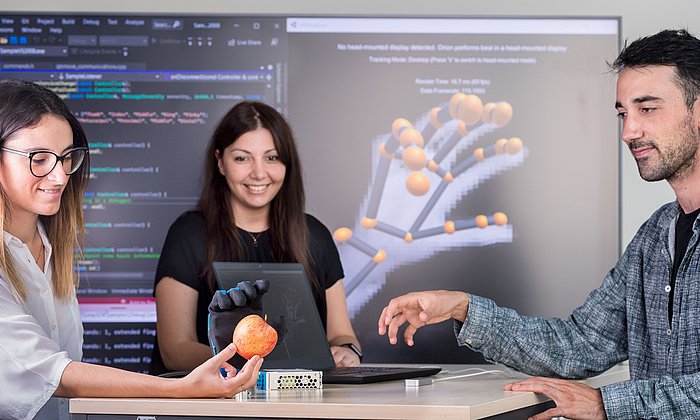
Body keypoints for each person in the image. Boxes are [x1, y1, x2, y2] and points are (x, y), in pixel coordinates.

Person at [378, 29, 700, 420]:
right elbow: (579, 345)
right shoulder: (656, 236)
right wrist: (462, 307)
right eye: (622, 113)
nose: (628, 131)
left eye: (647, 109)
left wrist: (604, 405)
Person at [0, 80, 264, 420]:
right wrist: (181, 389)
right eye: (39, 158)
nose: (60, 176)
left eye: (67, 157)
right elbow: (52, 373)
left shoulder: (51, 246)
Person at [151, 101, 361, 375]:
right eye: (242, 158)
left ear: (287, 163)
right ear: (220, 162)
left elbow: (342, 335)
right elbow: (174, 350)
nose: (259, 173)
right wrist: (244, 362)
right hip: (213, 408)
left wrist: (345, 351)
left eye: (271, 158)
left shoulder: (315, 236)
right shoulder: (188, 234)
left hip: (297, 408)